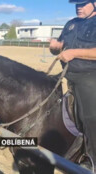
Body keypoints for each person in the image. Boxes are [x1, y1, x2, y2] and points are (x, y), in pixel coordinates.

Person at [50, 0, 96, 169]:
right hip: (68, 75)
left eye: (83, 3)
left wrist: (75, 53)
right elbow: (60, 47)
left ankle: (93, 160)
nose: (79, 7)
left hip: (91, 76)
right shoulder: (71, 24)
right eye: (76, 4)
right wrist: (55, 48)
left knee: (90, 116)